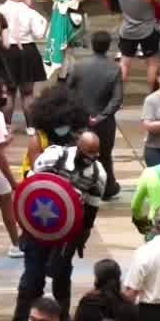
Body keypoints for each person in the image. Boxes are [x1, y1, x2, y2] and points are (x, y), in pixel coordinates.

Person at [63, 30, 125, 198]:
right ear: (108, 46)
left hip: (81, 118)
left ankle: (76, 185)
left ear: (92, 45)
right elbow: (117, 98)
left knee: (77, 153)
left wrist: (78, 112)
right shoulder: (114, 68)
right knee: (105, 155)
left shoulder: (79, 66)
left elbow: (68, 90)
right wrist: (101, 116)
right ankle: (108, 187)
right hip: (103, 121)